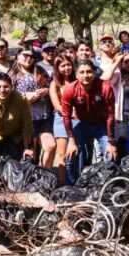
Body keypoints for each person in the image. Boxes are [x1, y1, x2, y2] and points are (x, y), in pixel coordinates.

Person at [62, 60, 117, 182]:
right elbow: (66, 116)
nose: (85, 75)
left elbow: (110, 116)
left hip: (101, 124)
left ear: (94, 73)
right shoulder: (70, 89)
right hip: (82, 124)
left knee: (110, 156)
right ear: (76, 75)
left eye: (89, 72)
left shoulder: (105, 88)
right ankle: (72, 188)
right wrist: (71, 141)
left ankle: (107, 188)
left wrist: (111, 142)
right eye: (81, 72)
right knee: (70, 157)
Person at [10, 45, 55, 167]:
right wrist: (25, 96)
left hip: (44, 118)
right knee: (30, 156)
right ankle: (29, 181)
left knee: (50, 146)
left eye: (31, 56)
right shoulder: (12, 75)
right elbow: (7, 96)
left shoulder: (40, 71)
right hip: (25, 121)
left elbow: (52, 86)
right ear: (18, 56)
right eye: (25, 55)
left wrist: (45, 91)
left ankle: (46, 176)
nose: (28, 58)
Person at [0, 73, 34, 160]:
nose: (2, 90)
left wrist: (27, 147)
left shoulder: (22, 100)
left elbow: (27, 125)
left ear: (12, 87)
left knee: (25, 161)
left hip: (17, 138)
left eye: (6, 86)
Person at [100, 50, 129, 159]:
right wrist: (116, 62)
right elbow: (103, 80)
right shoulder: (119, 75)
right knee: (123, 151)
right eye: (126, 62)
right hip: (123, 120)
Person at [50, 54, 77, 183]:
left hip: (78, 120)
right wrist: (71, 113)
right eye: (63, 65)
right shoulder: (54, 84)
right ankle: (63, 183)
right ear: (57, 68)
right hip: (61, 120)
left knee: (75, 153)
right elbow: (57, 105)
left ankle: (75, 181)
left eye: (68, 65)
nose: (67, 68)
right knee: (62, 155)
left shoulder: (77, 80)